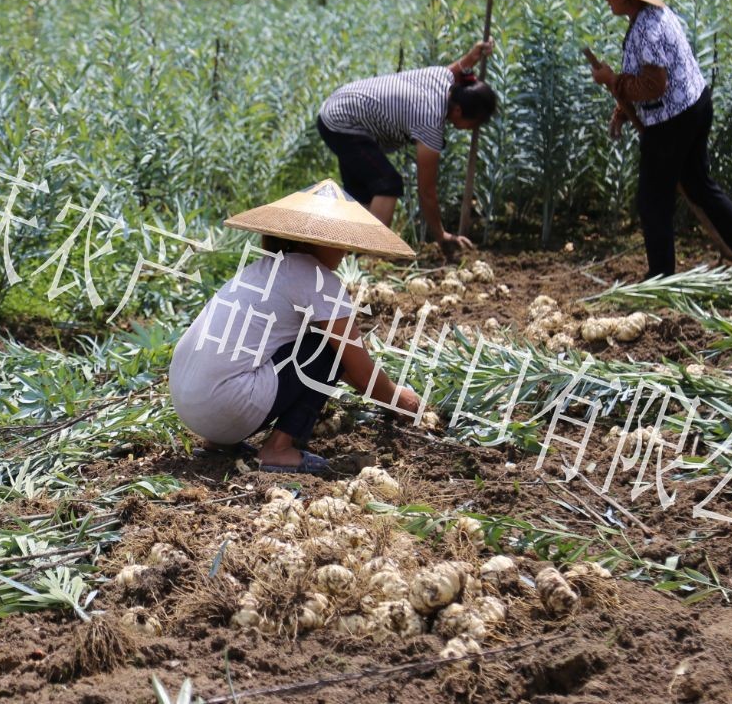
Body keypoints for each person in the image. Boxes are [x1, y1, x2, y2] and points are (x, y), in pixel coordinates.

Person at [169, 179, 421, 475]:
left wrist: (377, 390)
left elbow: (344, 368)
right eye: (339, 241)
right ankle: (277, 449)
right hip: (225, 407)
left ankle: (220, 441)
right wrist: (399, 399)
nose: (345, 251)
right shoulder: (319, 281)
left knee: (318, 347)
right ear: (317, 241)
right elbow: (358, 368)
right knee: (326, 347)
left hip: (188, 401)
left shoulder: (262, 269)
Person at [580, 0, 732, 280]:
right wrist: (623, 110)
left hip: (672, 121)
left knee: (653, 200)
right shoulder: (656, 15)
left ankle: (661, 277)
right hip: (695, 105)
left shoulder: (648, 30)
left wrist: (612, 81)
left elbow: (654, 86)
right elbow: (648, 81)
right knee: (699, 185)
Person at [316, 40, 496, 259]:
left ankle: (348, 257)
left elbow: (458, 69)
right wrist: (441, 236)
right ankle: (371, 257)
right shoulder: (430, 119)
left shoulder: (443, 78)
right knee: (388, 185)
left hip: (341, 106)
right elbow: (427, 192)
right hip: (342, 121)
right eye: (474, 123)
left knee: (363, 193)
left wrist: (472, 56)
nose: (472, 129)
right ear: (458, 111)